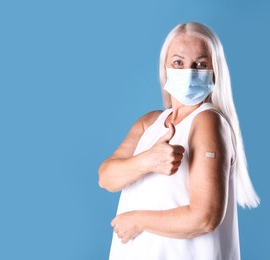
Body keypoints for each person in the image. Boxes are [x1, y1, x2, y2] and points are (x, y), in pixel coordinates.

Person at [98, 21, 260, 260]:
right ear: (165, 68)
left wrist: (137, 220)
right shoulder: (150, 122)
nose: (189, 72)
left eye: (201, 64)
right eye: (178, 63)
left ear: (215, 71)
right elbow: (107, 177)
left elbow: (204, 217)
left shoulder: (207, 121)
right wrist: (148, 162)